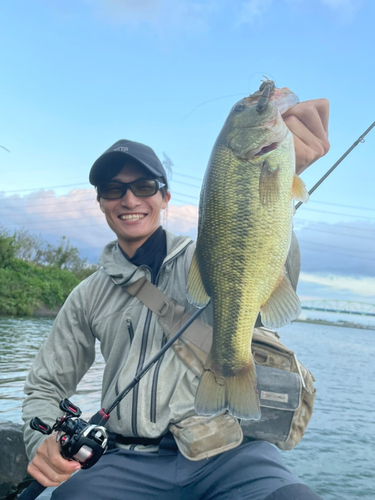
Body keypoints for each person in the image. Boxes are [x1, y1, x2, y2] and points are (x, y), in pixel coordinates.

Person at [22, 98, 330, 500]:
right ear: (101, 203)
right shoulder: (87, 295)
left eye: (144, 187)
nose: (129, 199)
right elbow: (45, 386)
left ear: (164, 198)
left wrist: (280, 183)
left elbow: (270, 267)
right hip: (127, 459)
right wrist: (40, 442)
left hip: (228, 453)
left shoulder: (207, 256)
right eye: (114, 189)